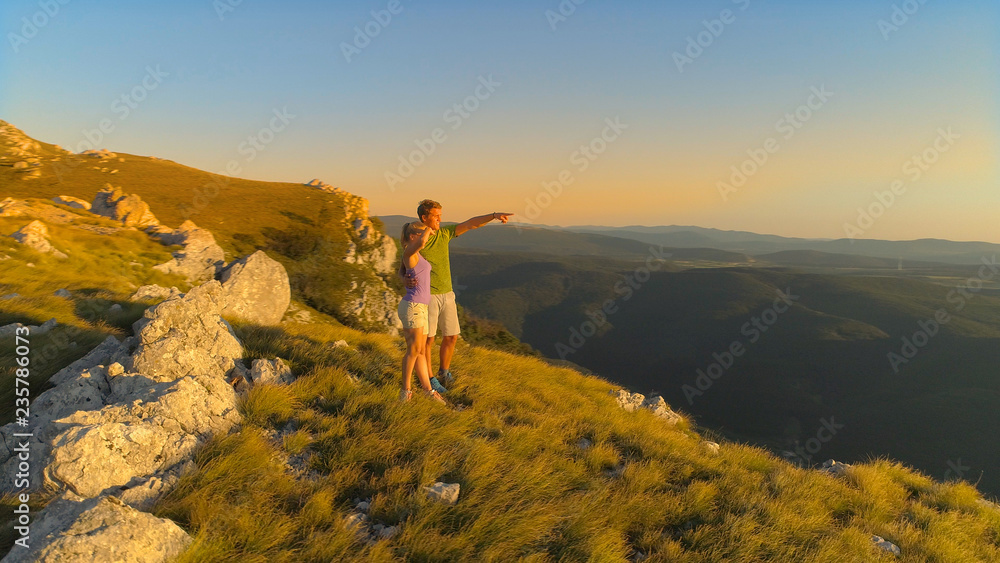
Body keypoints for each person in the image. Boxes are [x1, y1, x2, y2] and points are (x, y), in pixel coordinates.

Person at [407, 199, 513, 392]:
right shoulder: (416, 239)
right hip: (427, 296)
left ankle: (444, 372)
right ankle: (430, 379)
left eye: (440, 215)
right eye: (436, 216)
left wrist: (493, 215)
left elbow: (470, 223)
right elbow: (405, 262)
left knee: (452, 336)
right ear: (424, 217)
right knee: (429, 340)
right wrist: (405, 279)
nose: (440, 218)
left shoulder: (445, 233)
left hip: (447, 294)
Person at [397, 221, 446, 404]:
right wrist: (428, 229)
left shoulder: (415, 255)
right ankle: (405, 391)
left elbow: (401, 272)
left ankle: (428, 390)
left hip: (421, 307)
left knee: (420, 352)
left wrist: (403, 278)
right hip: (413, 307)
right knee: (414, 350)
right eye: (420, 233)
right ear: (412, 237)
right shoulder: (409, 252)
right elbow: (422, 242)